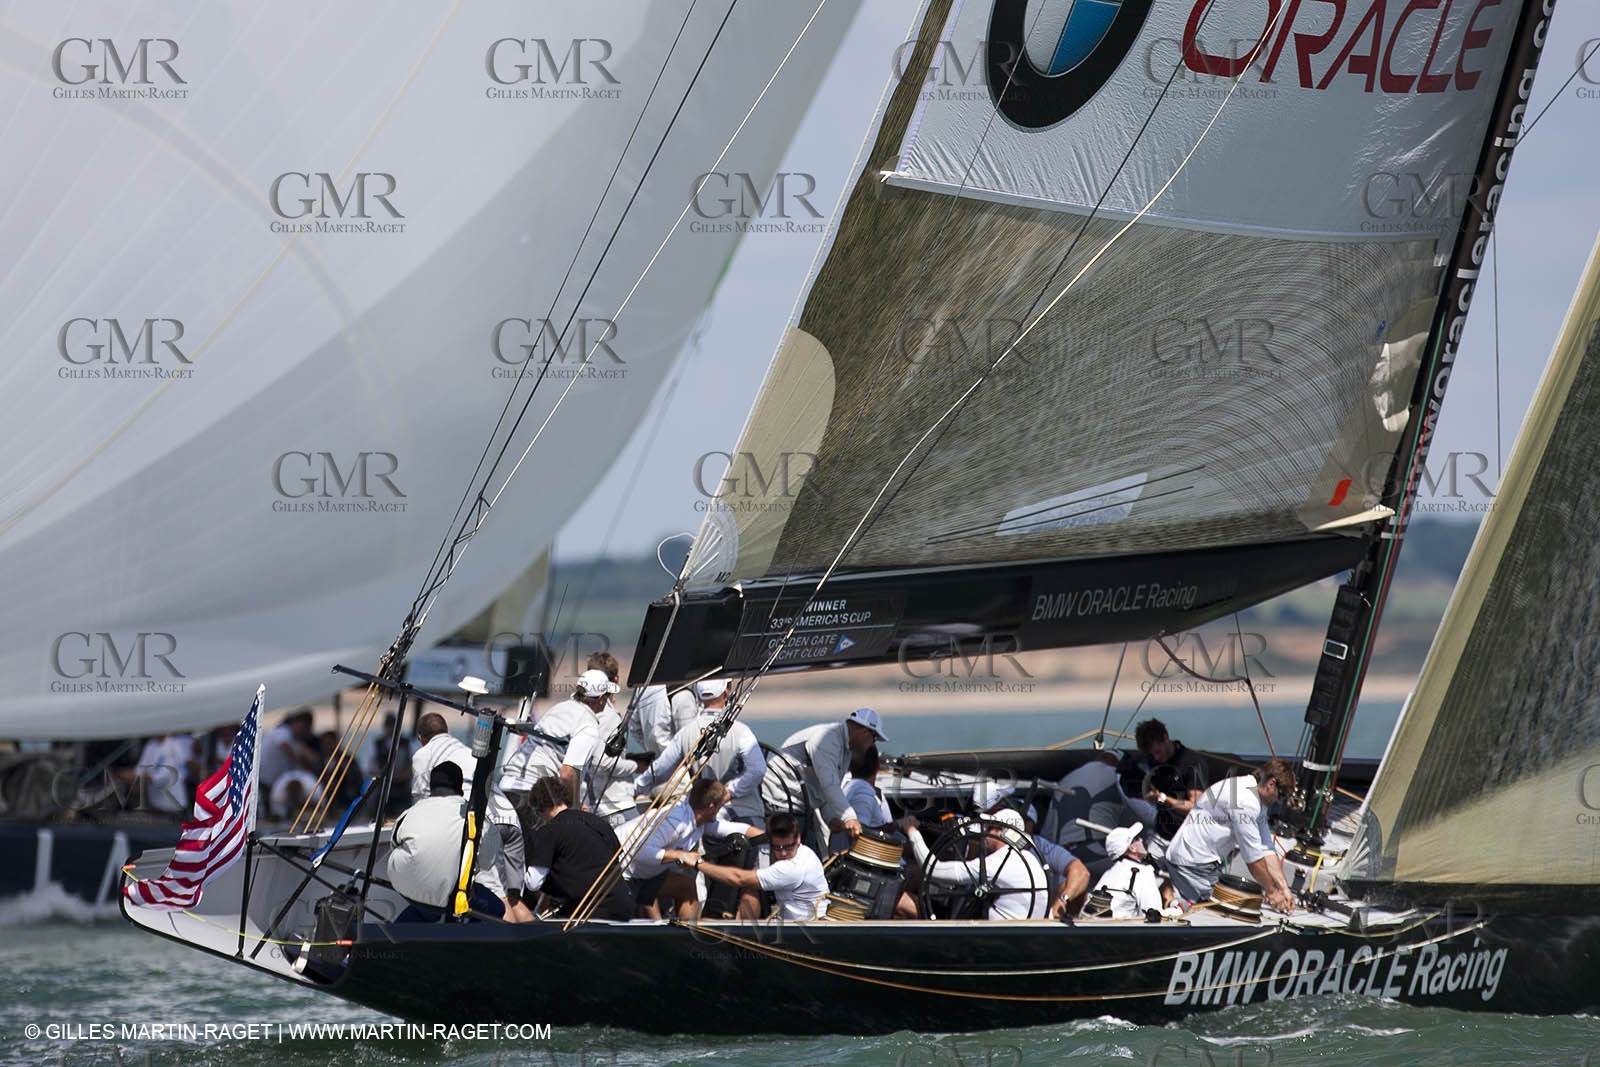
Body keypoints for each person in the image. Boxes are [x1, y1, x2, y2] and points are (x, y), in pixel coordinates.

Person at [410, 712, 531, 922]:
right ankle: (536, 943)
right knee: (512, 899)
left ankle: (511, 950)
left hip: (486, 822)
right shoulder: (464, 749)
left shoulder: (423, 755)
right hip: (509, 817)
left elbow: (422, 803)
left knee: (497, 898)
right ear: (446, 731)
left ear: (421, 738)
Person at [1163, 759, 1296, 913]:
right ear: (1271, 784)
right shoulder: (1245, 801)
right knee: (1211, 912)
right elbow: (1253, 858)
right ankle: (1170, 899)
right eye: (1282, 796)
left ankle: (1171, 895)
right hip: (1192, 862)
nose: (1279, 802)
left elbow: (1265, 846)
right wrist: (1272, 892)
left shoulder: (1256, 795)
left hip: (1206, 862)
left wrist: (1284, 888)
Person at [619, 778, 759, 919]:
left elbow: (736, 828)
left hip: (642, 874)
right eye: (720, 806)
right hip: (620, 872)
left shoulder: (700, 820)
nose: (719, 810)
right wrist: (680, 855)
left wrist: (770, 836)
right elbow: (639, 852)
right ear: (711, 807)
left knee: (686, 887)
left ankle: (692, 938)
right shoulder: (675, 821)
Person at [635, 678, 766, 826]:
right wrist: (729, 792)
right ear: (727, 691)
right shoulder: (741, 731)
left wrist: (638, 786)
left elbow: (660, 768)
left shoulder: (685, 733)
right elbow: (758, 770)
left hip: (703, 815)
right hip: (744, 813)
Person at [387, 762, 506, 920]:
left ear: (431, 787)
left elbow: (394, 845)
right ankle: (466, 942)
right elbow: (487, 862)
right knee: (495, 907)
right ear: (460, 788)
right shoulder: (476, 818)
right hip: (448, 895)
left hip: (405, 885)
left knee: (425, 906)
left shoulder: (410, 813)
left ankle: (397, 934)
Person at [763, 708, 886, 844]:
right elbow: (829, 784)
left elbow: (826, 789)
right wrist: (849, 818)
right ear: (864, 732)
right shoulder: (827, 739)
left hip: (799, 802)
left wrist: (831, 819)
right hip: (781, 799)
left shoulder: (844, 748)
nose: (872, 744)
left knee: (811, 854)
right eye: (874, 738)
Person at [899, 809, 1049, 920]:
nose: (983, 831)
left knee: (901, 901)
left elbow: (932, 869)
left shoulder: (998, 863)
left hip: (996, 934)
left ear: (1002, 831)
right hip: (1023, 928)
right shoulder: (1028, 858)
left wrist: (912, 832)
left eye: (989, 827)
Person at [523, 775, 634, 921]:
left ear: (542, 807)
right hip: (622, 905)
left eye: (537, 813)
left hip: (587, 912)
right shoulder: (599, 822)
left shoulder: (550, 831)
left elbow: (533, 882)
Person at [497, 669, 612, 809]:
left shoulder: (559, 708)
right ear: (601, 699)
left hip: (506, 786)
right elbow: (567, 773)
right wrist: (575, 807)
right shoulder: (588, 724)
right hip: (534, 793)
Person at [684, 812, 828, 922]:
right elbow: (744, 829)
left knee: (750, 882)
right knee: (752, 887)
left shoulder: (791, 868)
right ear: (770, 840)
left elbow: (738, 878)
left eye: (788, 847)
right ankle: (741, 930)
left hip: (808, 926)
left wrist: (698, 864)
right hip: (791, 921)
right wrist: (698, 823)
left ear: (798, 839)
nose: (783, 853)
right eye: (778, 848)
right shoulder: (803, 850)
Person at [1118, 718, 1210, 846]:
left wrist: (1163, 798)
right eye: (1152, 755)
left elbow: (1194, 806)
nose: (1156, 758)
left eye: (1158, 752)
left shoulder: (1191, 762)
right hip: (1161, 834)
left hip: (1188, 836)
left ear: (1165, 738)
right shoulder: (1151, 761)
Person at [581, 652, 645, 829]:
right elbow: (601, 763)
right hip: (616, 804)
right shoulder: (609, 717)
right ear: (616, 679)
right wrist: (637, 766)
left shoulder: (582, 714)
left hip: (594, 803)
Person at [1041, 751, 1136, 865]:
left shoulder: (1065, 780)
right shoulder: (1117, 777)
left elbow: (1046, 834)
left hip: (1064, 856)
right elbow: (1139, 816)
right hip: (1097, 852)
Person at [1091, 822, 1176, 920]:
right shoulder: (1143, 873)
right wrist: (1177, 909)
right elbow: (1153, 916)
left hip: (1100, 929)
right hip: (1123, 932)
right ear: (1132, 848)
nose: (1141, 839)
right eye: (1137, 838)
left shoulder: (1108, 874)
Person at [829, 744, 893, 853]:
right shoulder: (863, 794)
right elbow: (859, 834)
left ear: (849, 766)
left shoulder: (848, 788)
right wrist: (898, 826)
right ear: (877, 766)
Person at [258, 709, 318, 799]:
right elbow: (285, 746)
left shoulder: (295, 740)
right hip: (265, 781)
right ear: (296, 723)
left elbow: (312, 758)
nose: (302, 730)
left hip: (276, 782)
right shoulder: (282, 731)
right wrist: (299, 764)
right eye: (302, 726)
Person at [632, 684, 701, 755]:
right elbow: (689, 742)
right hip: (677, 761)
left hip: (654, 760)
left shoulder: (643, 687)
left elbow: (634, 728)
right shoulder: (682, 693)